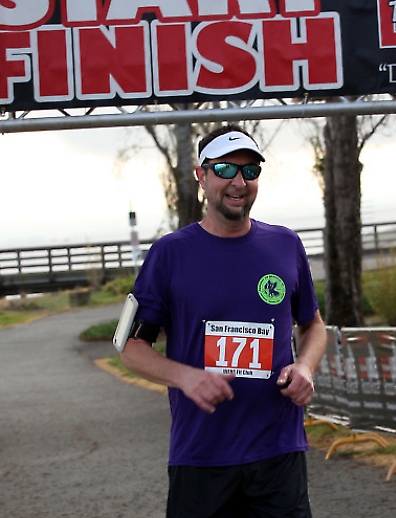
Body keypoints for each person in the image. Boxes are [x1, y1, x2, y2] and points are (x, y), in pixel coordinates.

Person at [121, 124, 327, 518]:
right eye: (225, 169)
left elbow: (313, 324)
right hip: (202, 454)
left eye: (250, 171)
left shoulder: (285, 245)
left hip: (278, 450)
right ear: (201, 176)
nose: (238, 182)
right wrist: (186, 377)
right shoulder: (169, 254)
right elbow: (131, 348)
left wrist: (305, 366)